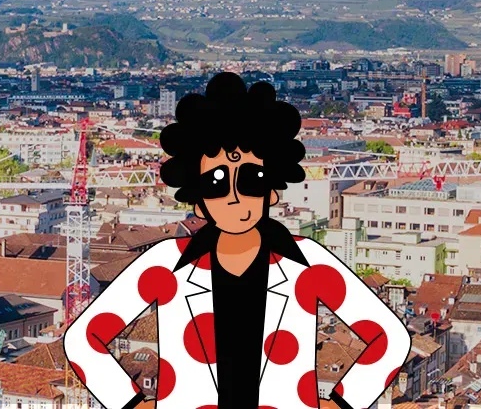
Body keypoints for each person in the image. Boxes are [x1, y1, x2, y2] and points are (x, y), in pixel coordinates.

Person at [62, 73, 409, 409]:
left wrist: (342, 403)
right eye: (216, 183)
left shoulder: (307, 263)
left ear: (271, 191)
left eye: (251, 180)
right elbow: (83, 340)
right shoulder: (166, 263)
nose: (233, 196)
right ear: (199, 201)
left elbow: (389, 338)